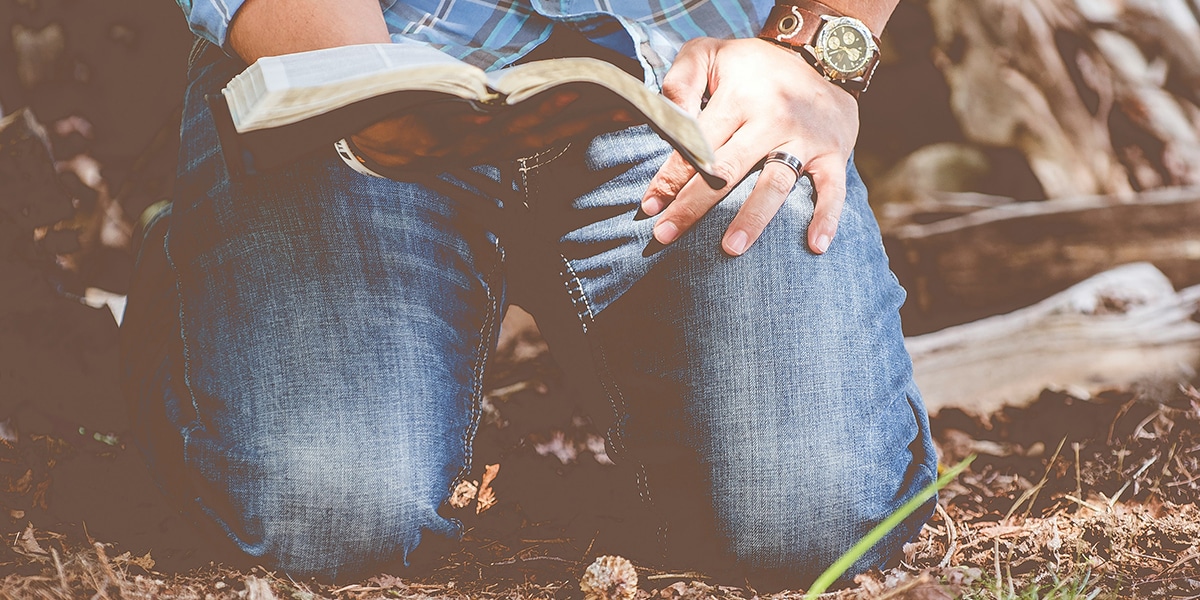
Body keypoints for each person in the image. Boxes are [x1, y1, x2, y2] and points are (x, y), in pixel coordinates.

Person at [121, 0, 937, 585]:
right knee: (332, 512)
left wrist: (819, 49)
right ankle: (200, 291)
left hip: (689, 74)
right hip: (356, 57)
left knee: (818, 521)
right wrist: (345, 68)